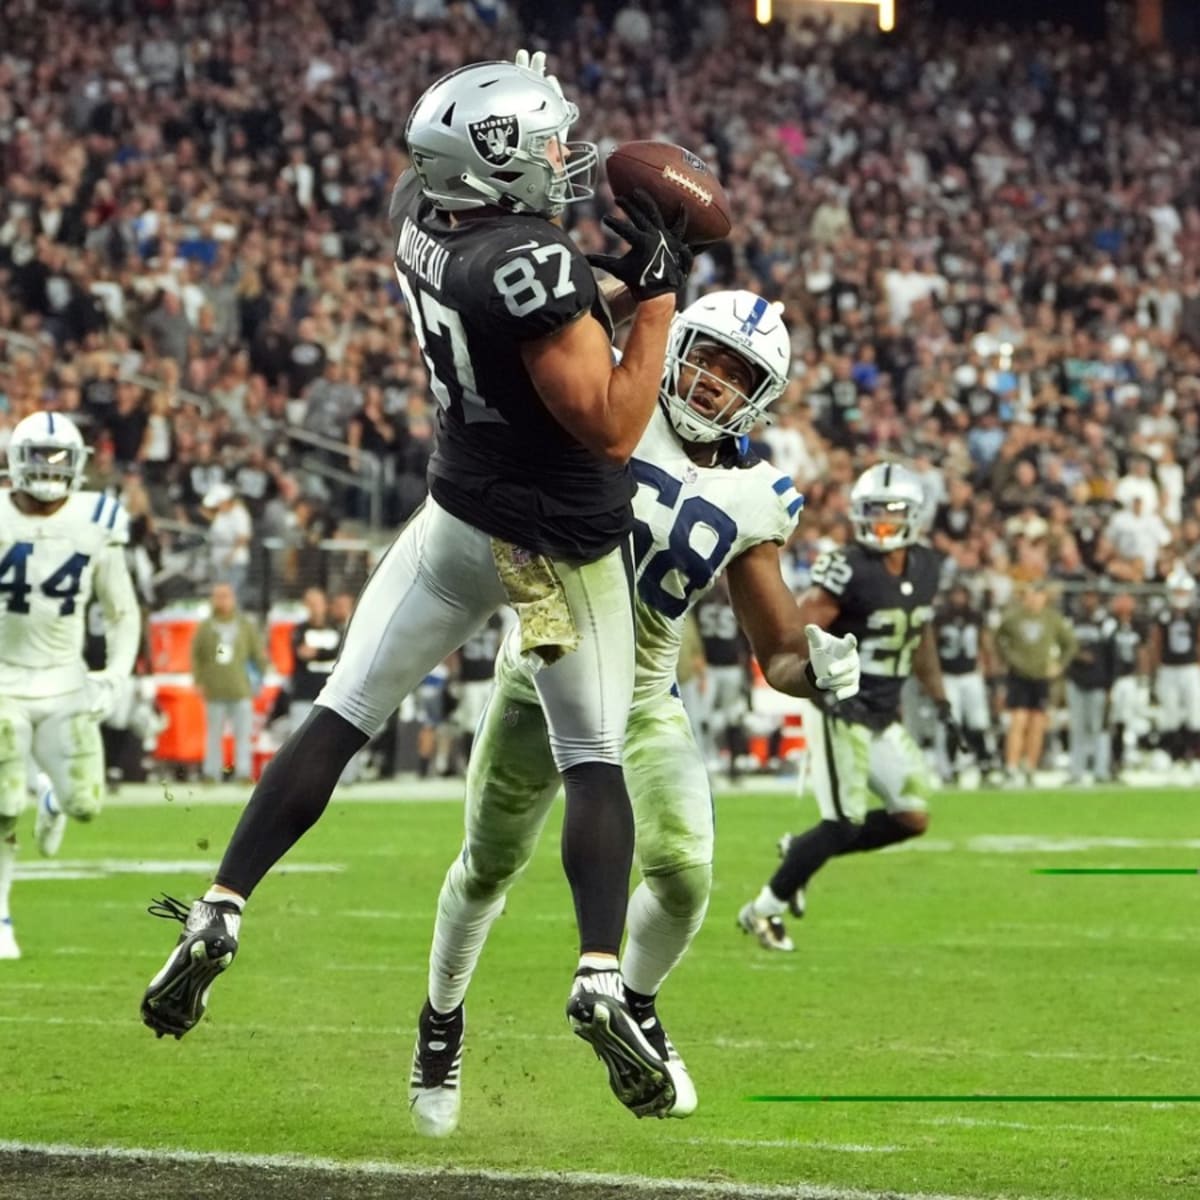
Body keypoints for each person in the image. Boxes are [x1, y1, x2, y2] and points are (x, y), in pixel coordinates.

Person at [141, 49, 694, 1120]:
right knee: (591, 760)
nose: (560, 157)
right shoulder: (529, 262)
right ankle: (593, 972)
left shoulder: (426, 215)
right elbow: (617, 422)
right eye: (540, 142)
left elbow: (541, 317)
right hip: (553, 547)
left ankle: (220, 906)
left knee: (341, 712)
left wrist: (613, 288)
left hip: (453, 521)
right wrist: (662, 297)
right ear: (490, 160)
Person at [408, 289, 860, 1136]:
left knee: (686, 875)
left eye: (739, 373)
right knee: (488, 866)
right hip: (542, 672)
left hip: (645, 696)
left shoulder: (757, 493)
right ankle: (440, 1023)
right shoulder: (611, 410)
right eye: (710, 357)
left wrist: (820, 669)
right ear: (676, 343)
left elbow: (779, 649)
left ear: (762, 395)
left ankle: (635, 1007)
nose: (716, 382)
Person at [740, 461, 957, 952]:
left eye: (892, 512)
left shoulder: (926, 566)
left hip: (883, 713)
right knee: (843, 823)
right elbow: (805, 627)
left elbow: (919, 637)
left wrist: (940, 699)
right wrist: (812, 673)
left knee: (911, 817)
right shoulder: (848, 567)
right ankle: (763, 910)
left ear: (913, 516)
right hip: (840, 707)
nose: (881, 523)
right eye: (873, 513)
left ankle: (801, 851)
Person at [0, 412, 140, 959]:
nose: (51, 469)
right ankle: (2, 917)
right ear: (17, 459)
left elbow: (122, 611)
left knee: (85, 803)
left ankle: (52, 795)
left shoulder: (96, 520)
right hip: (3, 680)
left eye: (61, 458)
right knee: (2, 799)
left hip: (64, 681)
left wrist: (115, 675)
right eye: (41, 457)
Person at [994, 582, 1077, 786]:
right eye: (1030, 594)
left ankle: (1030, 766)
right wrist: (1008, 659)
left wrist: (1059, 665)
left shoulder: (1051, 619)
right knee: (1018, 721)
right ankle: (1012, 766)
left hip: (1041, 676)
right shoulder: (1014, 618)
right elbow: (998, 639)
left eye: (1037, 595)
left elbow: (1070, 643)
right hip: (1019, 675)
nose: (1033, 599)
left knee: (1038, 723)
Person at [191, 583, 268, 784]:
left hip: (241, 688)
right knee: (213, 735)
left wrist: (261, 678)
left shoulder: (245, 625)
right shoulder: (206, 627)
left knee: (243, 736)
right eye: (218, 596)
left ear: (233, 598)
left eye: (226, 596)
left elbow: (257, 654)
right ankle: (211, 773)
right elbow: (196, 656)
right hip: (214, 689)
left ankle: (243, 773)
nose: (222, 600)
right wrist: (198, 680)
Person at [933, 582, 996, 784]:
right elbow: (931, 647)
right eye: (955, 594)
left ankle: (984, 762)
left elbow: (985, 643)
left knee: (978, 722)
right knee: (952, 723)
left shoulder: (975, 617)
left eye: (962, 594)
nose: (958, 599)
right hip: (948, 675)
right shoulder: (941, 618)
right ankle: (950, 767)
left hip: (971, 675)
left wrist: (990, 667)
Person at [694, 579, 749, 780]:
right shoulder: (711, 600)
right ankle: (708, 763)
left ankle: (733, 764)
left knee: (730, 717)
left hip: (728, 666)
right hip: (712, 666)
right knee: (705, 718)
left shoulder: (709, 600)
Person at [1148, 570, 1200, 778]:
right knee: (1169, 713)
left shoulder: (1194, 615)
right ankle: (1172, 753)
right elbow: (1157, 643)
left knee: (1194, 711)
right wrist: (1155, 668)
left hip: (1189, 667)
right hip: (1168, 667)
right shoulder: (1163, 615)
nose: (1180, 595)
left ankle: (1194, 755)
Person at [1065, 587, 1115, 785]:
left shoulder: (1107, 624)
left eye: (1092, 596)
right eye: (1085, 596)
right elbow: (1064, 649)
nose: (1088, 600)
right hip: (1076, 681)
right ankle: (1076, 771)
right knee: (1077, 728)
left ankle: (1101, 770)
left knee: (1099, 728)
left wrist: (1110, 685)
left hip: (1098, 683)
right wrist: (1077, 656)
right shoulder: (1072, 622)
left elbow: (1113, 657)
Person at [1107, 591, 1148, 781]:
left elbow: (1143, 651)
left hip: (1132, 679)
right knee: (1116, 719)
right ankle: (1115, 758)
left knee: (1132, 718)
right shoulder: (1110, 625)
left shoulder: (1138, 626)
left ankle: (1129, 755)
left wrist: (1143, 677)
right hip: (1115, 679)